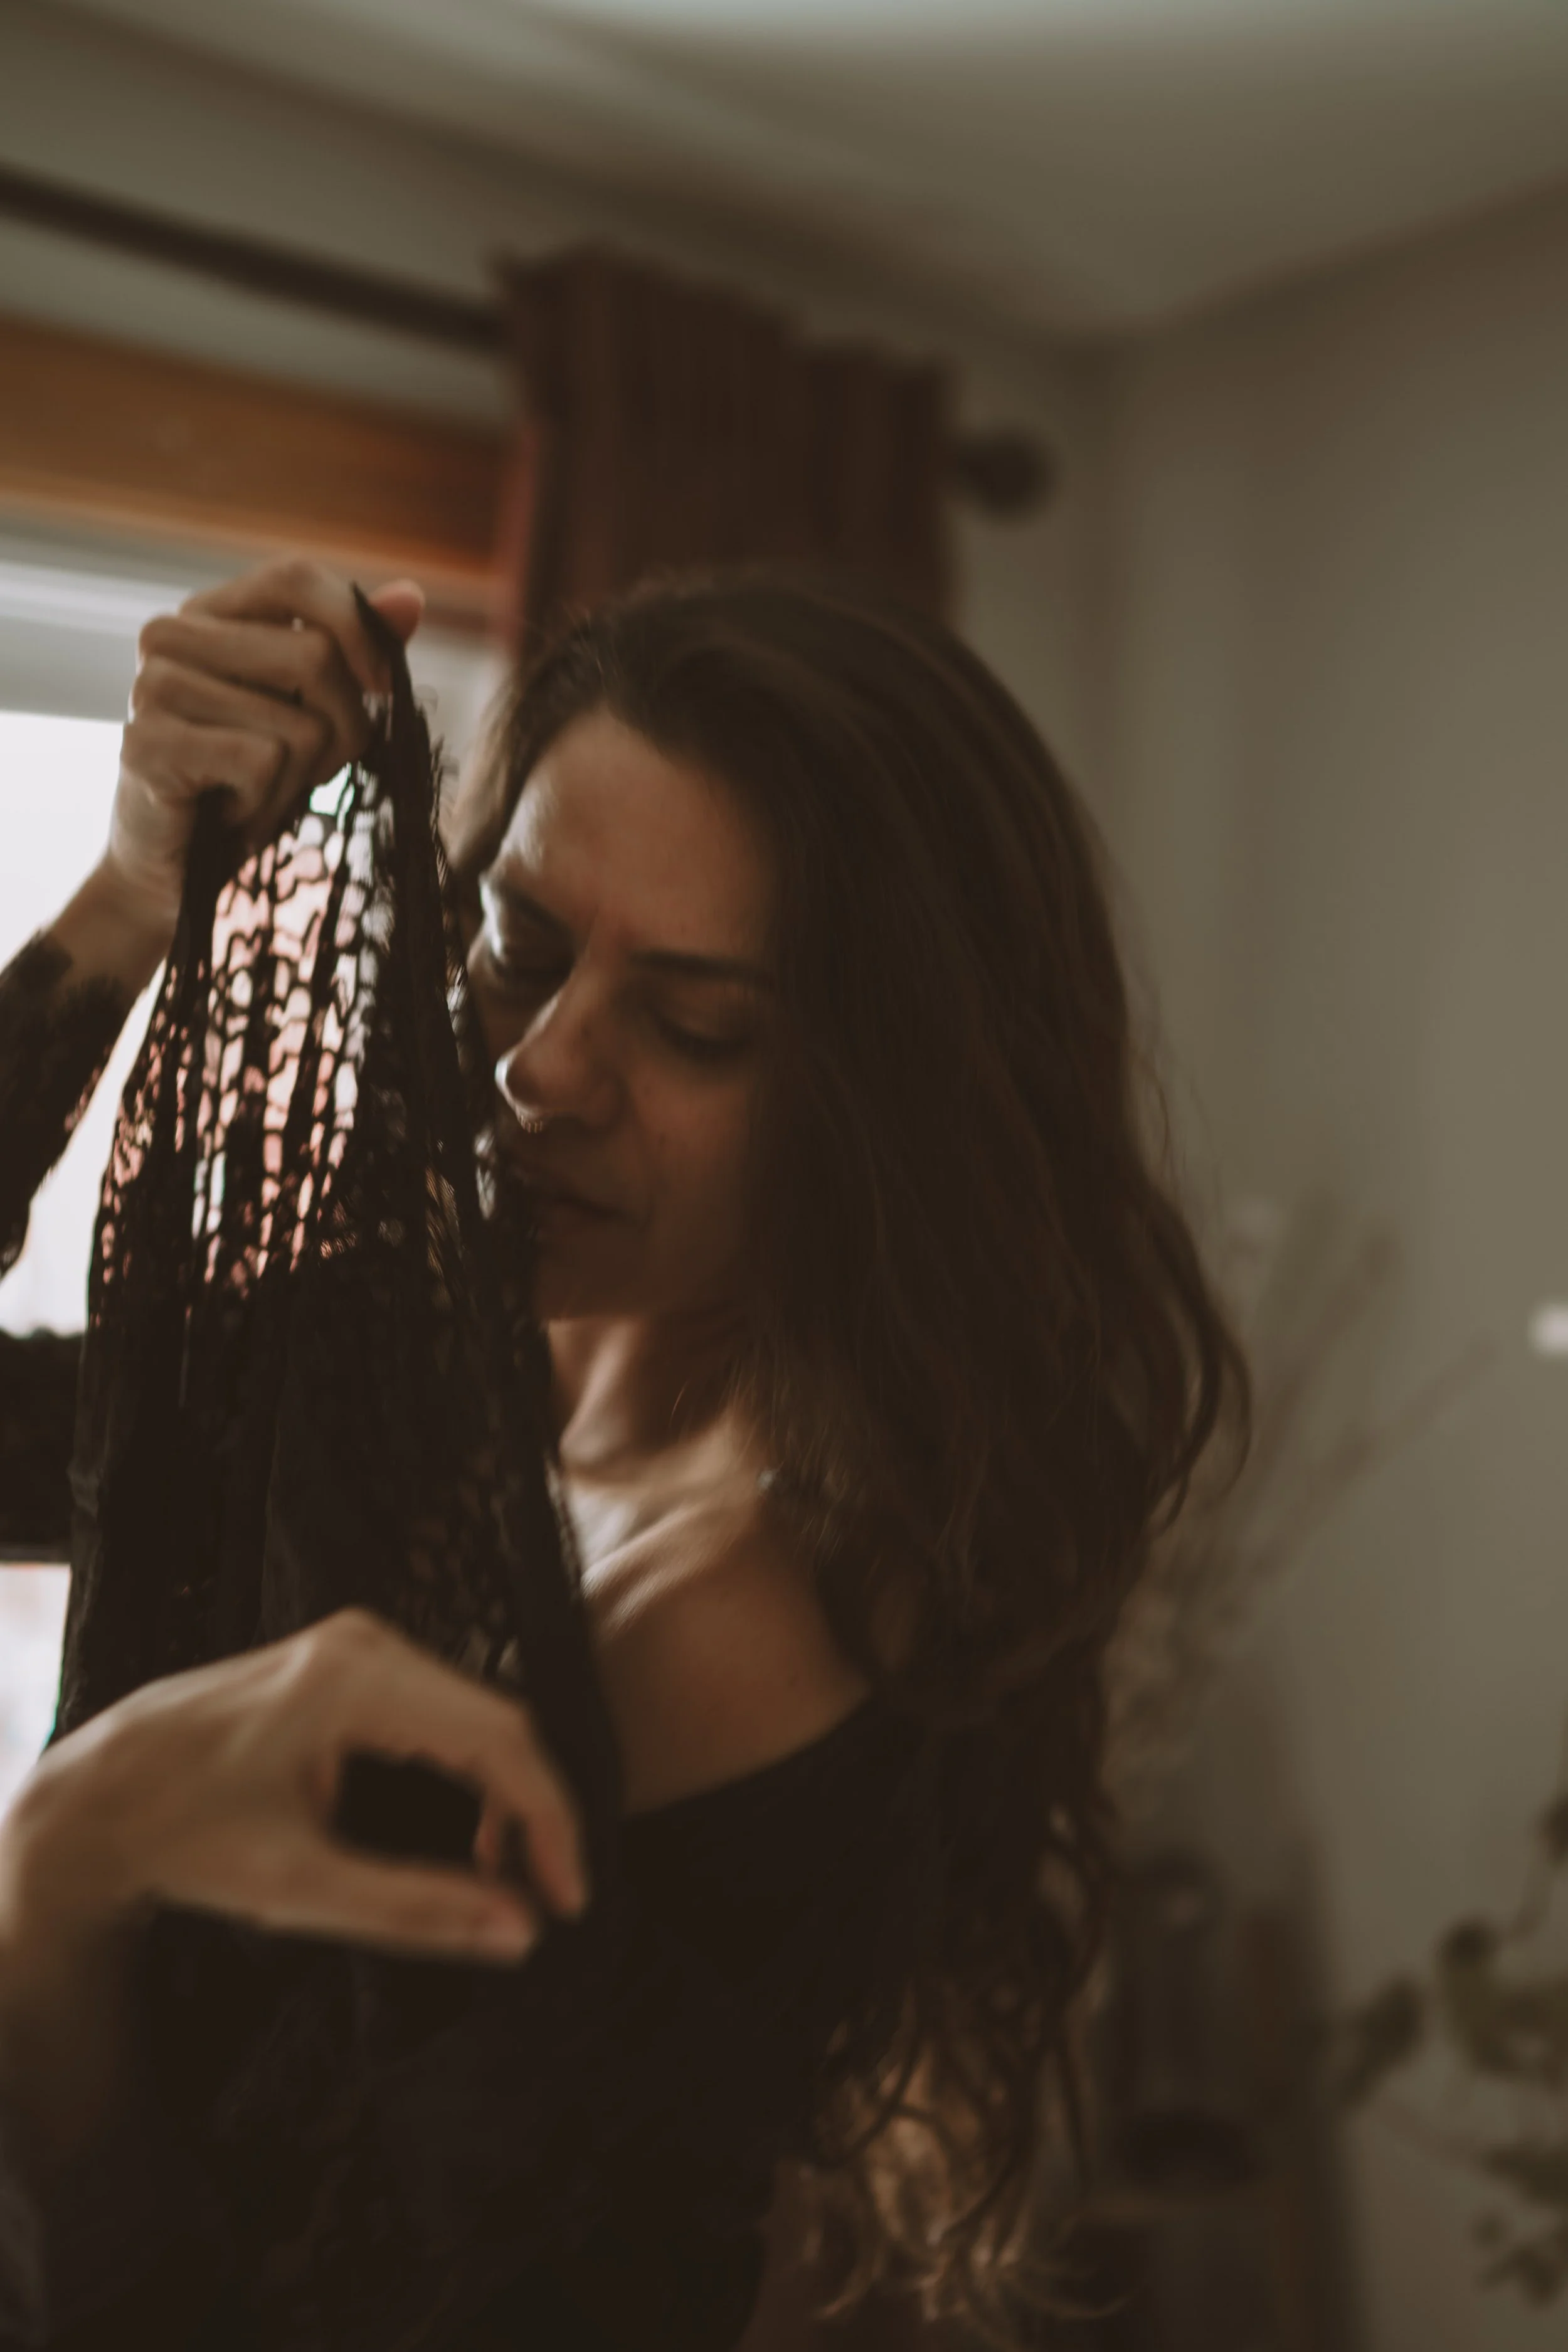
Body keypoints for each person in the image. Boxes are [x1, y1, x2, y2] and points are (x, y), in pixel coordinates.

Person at [0, 556, 1247, 2350]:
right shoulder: (427, 1333)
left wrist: (59, 1879)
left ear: (881, 1111)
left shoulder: (727, 1632)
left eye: (696, 1023)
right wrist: (127, 896)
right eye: (520, 945)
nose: (544, 1069)